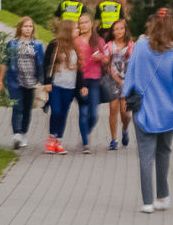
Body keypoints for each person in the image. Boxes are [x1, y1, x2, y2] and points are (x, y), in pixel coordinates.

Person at [121, 11, 173, 213]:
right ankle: (162, 196)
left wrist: (126, 98)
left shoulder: (140, 47)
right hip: (168, 110)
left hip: (143, 109)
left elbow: (130, 76)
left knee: (145, 156)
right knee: (164, 152)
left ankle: (147, 201)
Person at [0, 16, 44, 149]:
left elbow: (42, 64)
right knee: (17, 108)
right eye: (25, 26)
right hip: (15, 81)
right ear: (20, 28)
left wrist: (43, 81)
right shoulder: (12, 44)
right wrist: (0, 81)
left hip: (31, 82)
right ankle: (16, 133)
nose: (28, 29)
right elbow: (5, 63)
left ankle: (23, 132)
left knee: (27, 109)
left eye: (30, 26)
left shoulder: (37, 45)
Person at [42, 20, 84, 154]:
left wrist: (81, 86)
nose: (78, 30)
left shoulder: (76, 46)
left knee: (64, 113)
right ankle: (51, 138)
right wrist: (47, 81)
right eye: (76, 28)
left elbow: (80, 68)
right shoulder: (55, 44)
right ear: (68, 30)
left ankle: (59, 141)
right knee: (56, 111)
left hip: (70, 87)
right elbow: (47, 63)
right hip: (56, 85)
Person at [75, 12, 107, 154]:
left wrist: (101, 57)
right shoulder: (75, 41)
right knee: (83, 111)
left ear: (91, 24)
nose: (83, 25)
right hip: (80, 80)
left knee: (94, 114)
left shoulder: (99, 41)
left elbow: (106, 60)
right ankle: (85, 143)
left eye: (86, 22)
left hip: (95, 80)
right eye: (80, 23)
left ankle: (85, 132)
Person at [104, 17, 134, 150]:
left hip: (127, 81)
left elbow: (134, 64)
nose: (119, 31)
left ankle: (125, 129)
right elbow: (107, 64)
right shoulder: (109, 46)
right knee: (113, 109)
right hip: (112, 80)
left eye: (121, 28)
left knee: (125, 112)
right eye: (116, 29)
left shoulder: (131, 45)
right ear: (112, 32)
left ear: (125, 29)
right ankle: (113, 139)